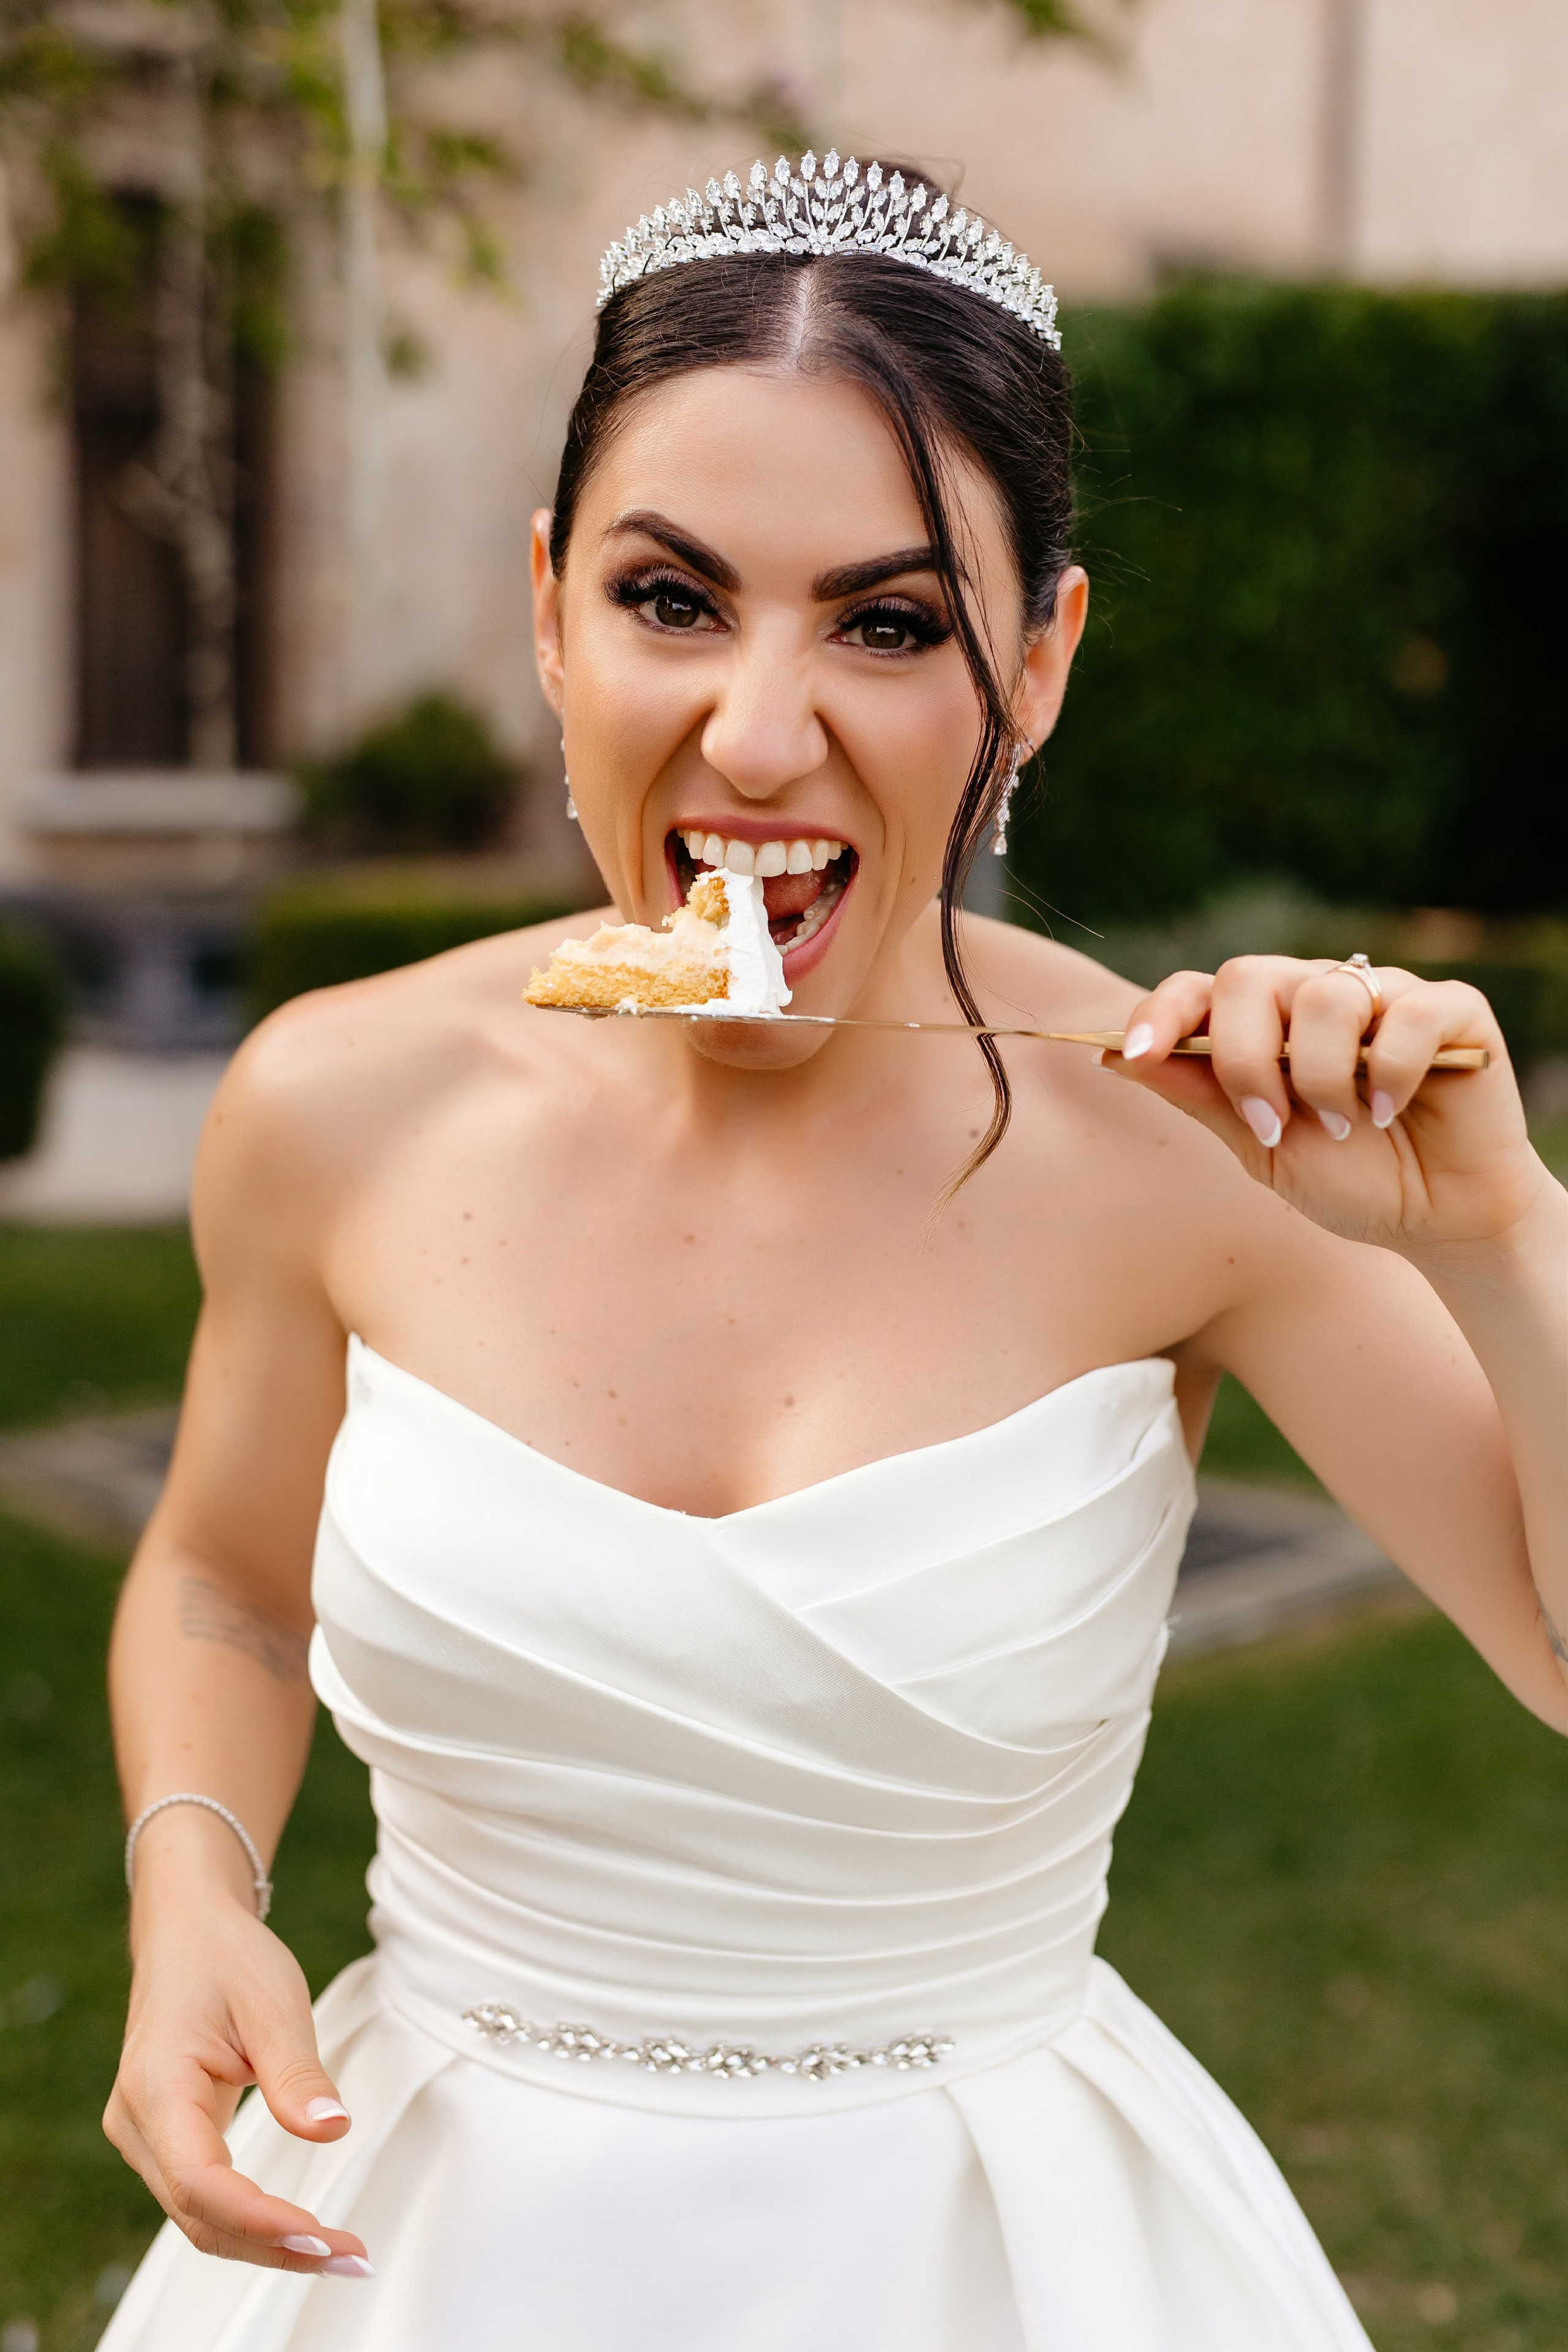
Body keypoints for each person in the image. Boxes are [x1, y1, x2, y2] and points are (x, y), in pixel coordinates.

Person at [99, 154, 1567, 2352]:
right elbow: (223, 1570)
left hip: (1000, 2255)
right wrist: (190, 1880)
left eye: (888, 626)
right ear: (546, 606)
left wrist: (1499, 1236)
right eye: (671, 600)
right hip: (424, 2243)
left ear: (1042, 664)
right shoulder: (339, 1099)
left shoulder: (1199, 1149)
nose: (760, 732)